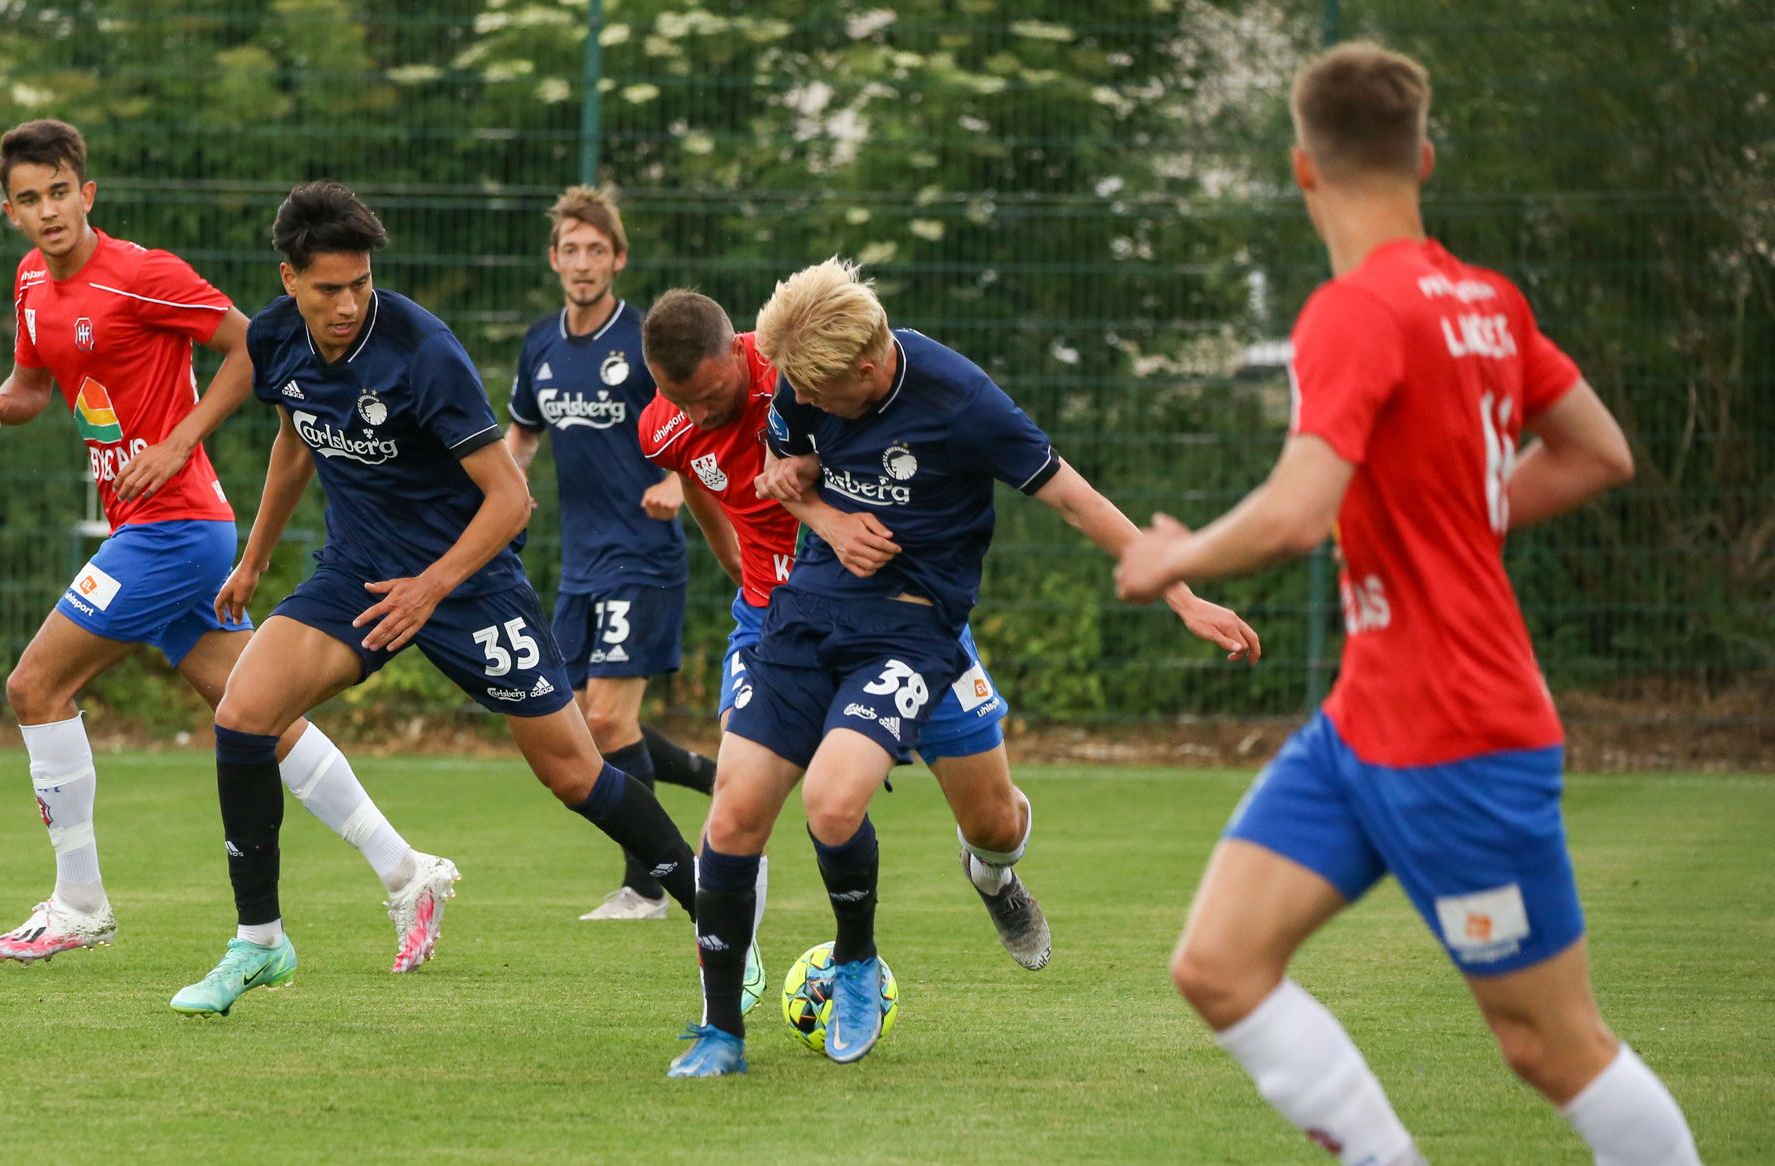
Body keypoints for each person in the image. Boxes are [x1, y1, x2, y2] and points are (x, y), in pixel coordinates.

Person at [1113, 43, 1699, 1166]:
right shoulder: (1486, 300)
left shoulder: (1350, 311)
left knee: (1550, 1045)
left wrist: (1168, 557)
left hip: (1460, 736)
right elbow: (1598, 450)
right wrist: (1463, 513)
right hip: (1363, 722)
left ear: (1300, 170)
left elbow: (1294, 513)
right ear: (1423, 158)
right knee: (1218, 964)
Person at [665, 259, 1259, 1077]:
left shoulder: (963, 402)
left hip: (915, 632)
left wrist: (1182, 593)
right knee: (733, 815)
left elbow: (1075, 498)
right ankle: (724, 1032)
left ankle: (987, 880)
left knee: (972, 821)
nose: (796, 398)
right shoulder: (805, 381)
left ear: (868, 372)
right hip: (806, 615)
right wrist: (826, 518)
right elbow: (782, 476)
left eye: (819, 392)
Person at [170, 181, 728, 1017]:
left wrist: (433, 588)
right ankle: (260, 942)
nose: (351, 302)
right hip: (358, 572)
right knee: (243, 714)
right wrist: (253, 559)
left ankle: (721, 921)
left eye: (361, 283)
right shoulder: (275, 339)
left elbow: (510, 500)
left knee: (576, 771)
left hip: (469, 584)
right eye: (330, 288)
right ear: (289, 279)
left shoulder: (421, 350)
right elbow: (295, 443)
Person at [0, 120, 425, 972]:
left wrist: (180, 441)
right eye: (29, 200)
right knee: (256, 712)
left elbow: (257, 348)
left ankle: (79, 904)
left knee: (35, 685)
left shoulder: (139, 272)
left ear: (86, 192)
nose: (48, 211)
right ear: (12, 212)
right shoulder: (33, 282)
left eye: (60, 192)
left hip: (176, 529)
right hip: (157, 530)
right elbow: (34, 385)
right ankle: (406, 870)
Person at [638, 287, 1052, 973]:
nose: (698, 415)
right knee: (738, 809)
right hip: (777, 622)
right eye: (681, 402)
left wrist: (826, 518)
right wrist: (737, 566)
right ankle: (730, 990)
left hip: (900, 616)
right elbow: (694, 479)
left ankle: (994, 877)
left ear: (738, 355)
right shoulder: (665, 426)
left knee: (995, 823)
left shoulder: (801, 377)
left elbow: (879, 447)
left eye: (710, 396)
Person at [502, 186, 718, 921]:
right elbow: (523, 434)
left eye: (598, 250)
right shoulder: (541, 343)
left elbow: (703, 418)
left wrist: (675, 482)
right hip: (580, 563)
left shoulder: (645, 342)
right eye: (571, 249)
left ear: (618, 259)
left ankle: (646, 887)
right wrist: (504, 489)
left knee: (605, 724)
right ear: (554, 259)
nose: (584, 263)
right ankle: (728, 785)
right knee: (571, 718)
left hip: (643, 555)